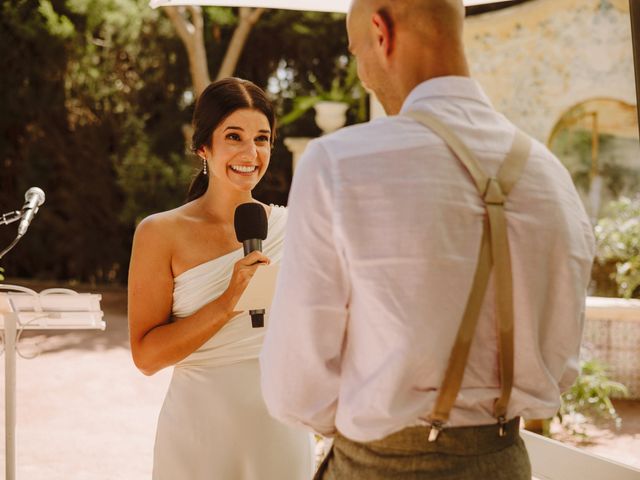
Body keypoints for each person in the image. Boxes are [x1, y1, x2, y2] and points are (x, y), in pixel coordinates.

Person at [260, 1, 595, 479]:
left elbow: (296, 389)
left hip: (382, 467)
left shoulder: (340, 163)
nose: (363, 74)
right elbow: (561, 366)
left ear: (381, 31)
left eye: (357, 53)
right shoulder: (553, 178)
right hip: (506, 464)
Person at [128, 77, 313, 480]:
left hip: (281, 428)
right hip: (198, 435)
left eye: (262, 139)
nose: (251, 153)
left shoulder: (294, 226)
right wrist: (228, 301)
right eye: (234, 136)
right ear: (203, 147)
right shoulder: (159, 233)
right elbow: (146, 356)